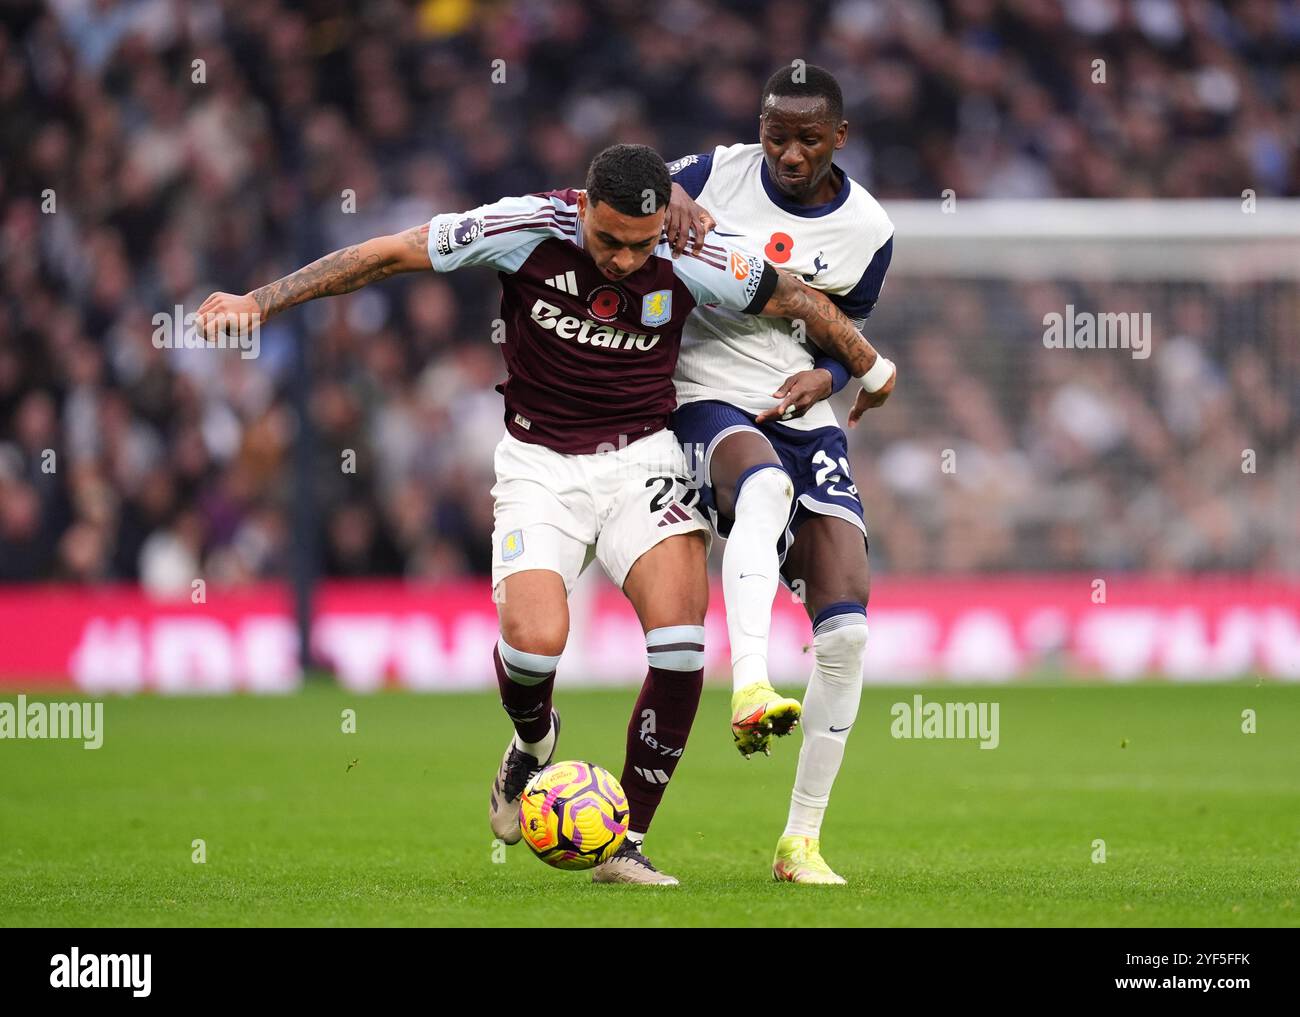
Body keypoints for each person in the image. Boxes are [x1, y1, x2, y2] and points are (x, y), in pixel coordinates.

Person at [196, 143, 894, 885]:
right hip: (540, 464)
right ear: (584, 207)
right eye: (609, 241)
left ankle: (626, 842)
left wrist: (868, 365)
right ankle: (533, 741)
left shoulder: (696, 253)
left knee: (683, 646)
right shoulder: (525, 225)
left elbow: (798, 297)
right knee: (534, 647)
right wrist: (258, 301)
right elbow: (389, 253)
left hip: (646, 461)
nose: (625, 260)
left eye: (641, 243)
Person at [661, 64, 895, 884]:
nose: (787, 154)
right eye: (774, 136)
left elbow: (848, 340)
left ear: (839, 137)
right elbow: (618, 180)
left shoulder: (868, 228)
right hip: (702, 391)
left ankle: (800, 841)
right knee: (760, 489)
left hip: (799, 406)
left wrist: (825, 380)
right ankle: (751, 682)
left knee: (849, 630)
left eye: (805, 139)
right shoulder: (715, 169)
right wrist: (667, 191)